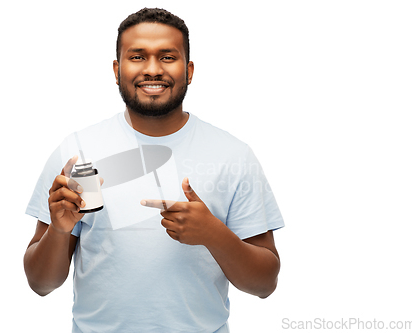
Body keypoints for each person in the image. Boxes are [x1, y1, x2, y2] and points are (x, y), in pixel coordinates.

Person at [24, 7, 284, 333]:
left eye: (167, 56)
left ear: (189, 70)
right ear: (117, 69)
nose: (152, 70)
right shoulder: (76, 153)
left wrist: (214, 235)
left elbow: (265, 285)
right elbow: (40, 283)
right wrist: (59, 230)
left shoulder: (234, 156)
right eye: (137, 57)